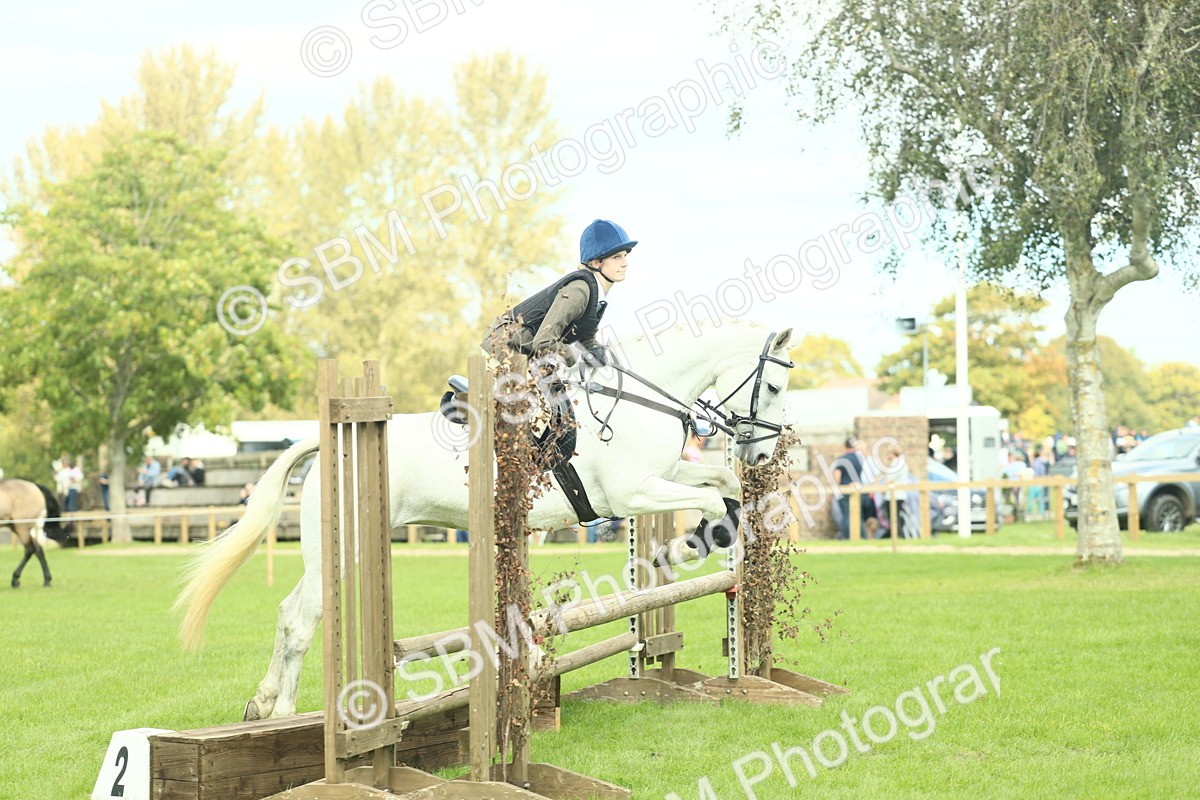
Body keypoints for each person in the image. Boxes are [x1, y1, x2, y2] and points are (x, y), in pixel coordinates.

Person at [480, 218, 635, 375]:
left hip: (528, 352)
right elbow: (544, 341)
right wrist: (578, 356)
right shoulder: (579, 291)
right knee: (544, 397)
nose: (625, 263)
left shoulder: (597, 295)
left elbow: (584, 334)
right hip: (503, 348)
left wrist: (593, 348)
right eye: (617, 257)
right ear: (596, 263)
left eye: (625, 256)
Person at [831, 437, 865, 540]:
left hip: (845, 490)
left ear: (845, 446)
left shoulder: (842, 459)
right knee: (859, 514)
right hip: (858, 489)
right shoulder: (860, 459)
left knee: (846, 515)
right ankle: (862, 536)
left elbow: (837, 476)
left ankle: (847, 536)